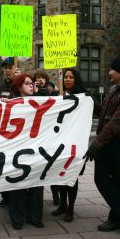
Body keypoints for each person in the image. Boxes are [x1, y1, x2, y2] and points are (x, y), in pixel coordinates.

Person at [83, 57, 120, 239]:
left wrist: (96, 145)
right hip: (108, 142)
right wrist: (93, 103)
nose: (109, 72)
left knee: (109, 181)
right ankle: (119, 216)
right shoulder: (114, 90)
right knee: (111, 181)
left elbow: (116, 124)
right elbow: (105, 116)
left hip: (117, 144)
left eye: (112, 69)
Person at [6, 73, 45, 230]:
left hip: (36, 150)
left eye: (32, 83)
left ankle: (35, 216)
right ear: (18, 87)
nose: (31, 85)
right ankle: (17, 217)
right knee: (17, 184)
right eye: (27, 83)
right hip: (17, 151)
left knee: (37, 183)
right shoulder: (11, 104)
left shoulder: (41, 103)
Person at [51, 68, 88, 222]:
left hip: (75, 143)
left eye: (71, 77)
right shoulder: (57, 96)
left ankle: (70, 209)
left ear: (76, 79)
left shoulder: (83, 98)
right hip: (59, 143)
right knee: (60, 175)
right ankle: (62, 205)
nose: (67, 79)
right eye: (65, 77)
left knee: (71, 176)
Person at [33, 69, 61, 207]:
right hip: (37, 134)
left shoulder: (54, 91)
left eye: (42, 77)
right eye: (38, 77)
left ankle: (55, 193)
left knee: (52, 165)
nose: (40, 80)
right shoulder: (33, 91)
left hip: (50, 133)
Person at [0, 57, 19, 207]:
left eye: (10, 67)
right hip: (3, 134)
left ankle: (16, 198)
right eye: (5, 67)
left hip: (18, 135)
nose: (8, 70)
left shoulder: (20, 85)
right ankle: (5, 196)